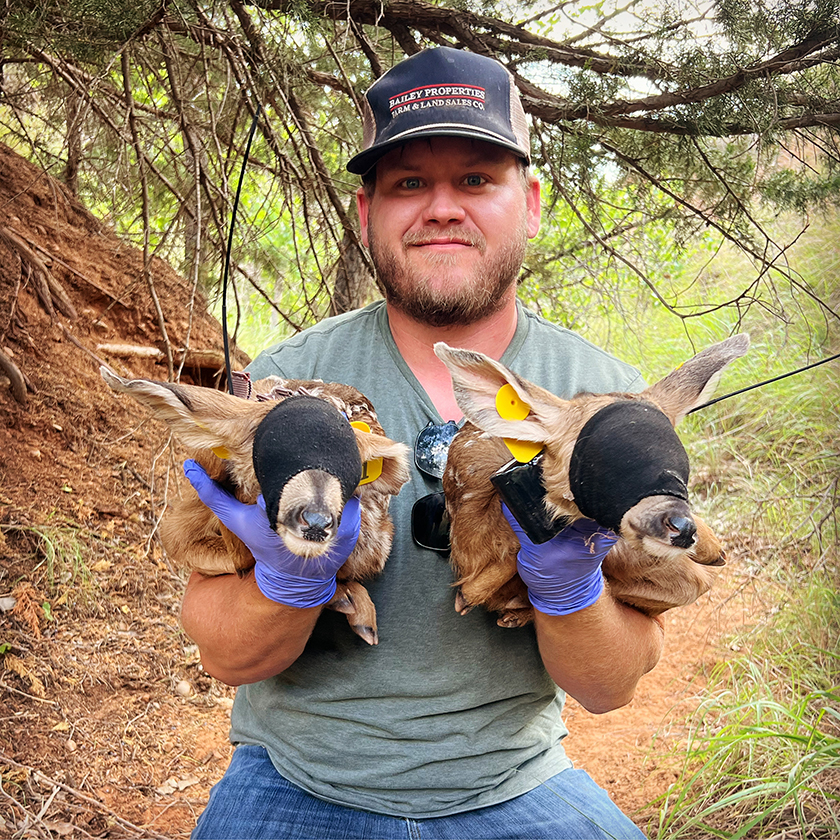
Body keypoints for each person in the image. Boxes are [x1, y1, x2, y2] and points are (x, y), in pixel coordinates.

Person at [180, 47, 662, 839]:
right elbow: (228, 659)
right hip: (298, 780)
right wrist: (288, 578)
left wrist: (570, 591)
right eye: (409, 183)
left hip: (515, 784)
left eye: (476, 179)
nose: (443, 207)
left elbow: (610, 687)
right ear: (366, 212)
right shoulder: (286, 383)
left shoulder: (602, 398)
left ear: (531, 203)